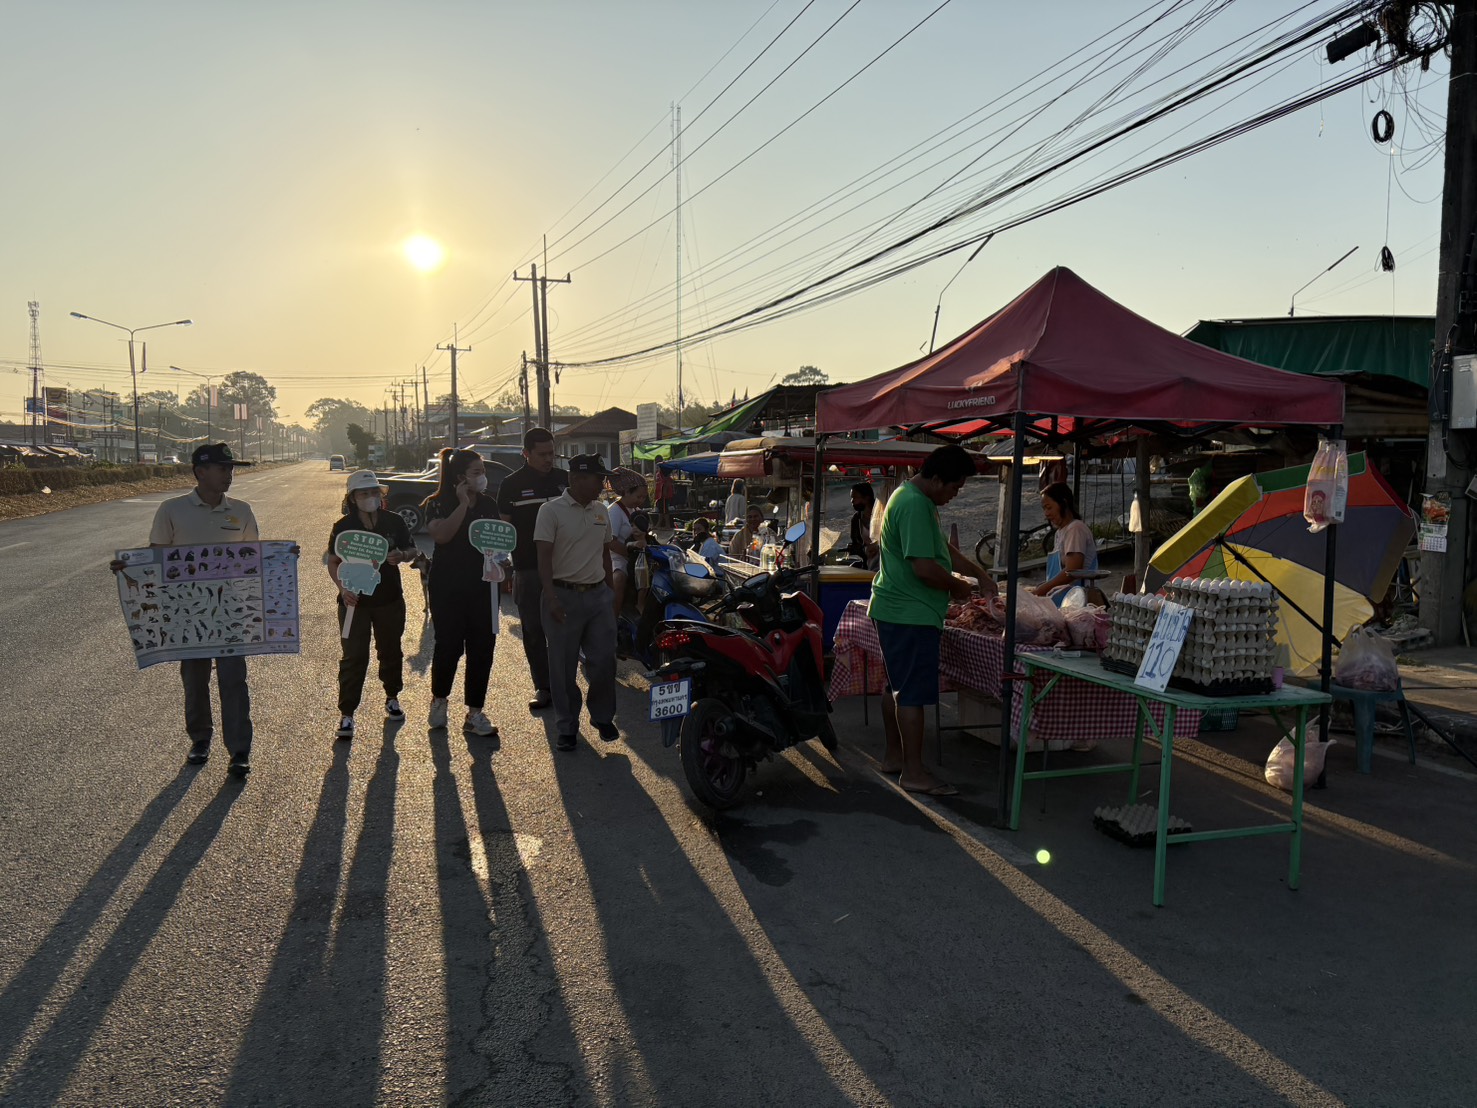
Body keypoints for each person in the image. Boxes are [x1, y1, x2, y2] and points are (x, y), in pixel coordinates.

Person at [125, 443, 260, 777]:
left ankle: (239, 751)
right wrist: (129, 566)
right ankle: (200, 739)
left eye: (231, 468)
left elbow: (253, 559)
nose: (229, 474)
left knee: (234, 680)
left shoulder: (241, 511)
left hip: (230, 610)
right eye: (222, 468)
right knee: (195, 680)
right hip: (188, 611)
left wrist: (281, 558)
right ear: (200, 472)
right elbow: (157, 556)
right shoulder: (172, 510)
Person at [868, 445, 993, 796]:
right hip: (909, 613)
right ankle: (913, 772)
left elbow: (941, 549)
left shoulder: (916, 499)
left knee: (895, 687)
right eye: (954, 487)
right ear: (937, 479)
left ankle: (895, 757)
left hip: (897, 610)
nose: (955, 495)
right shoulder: (912, 504)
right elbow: (923, 568)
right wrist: (958, 587)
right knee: (911, 695)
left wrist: (978, 574)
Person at [536, 453, 620, 752]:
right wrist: (551, 597)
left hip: (598, 596)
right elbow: (543, 557)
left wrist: (610, 593)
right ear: (576, 478)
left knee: (604, 661)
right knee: (562, 666)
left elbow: (605, 553)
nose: (602, 484)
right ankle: (567, 726)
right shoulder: (550, 511)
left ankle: (602, 717)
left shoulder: (601, 510)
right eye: (598, 479)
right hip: (563, 596)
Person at [327, 469, 415, 741]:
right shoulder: (343, 527)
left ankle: (392, 697)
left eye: (374, 492)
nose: (370, 497)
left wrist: (402, 555)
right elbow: (333, 561)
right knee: (353, 657)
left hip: (389, 599)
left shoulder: (394, 521)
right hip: (354, 603)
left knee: (390, 650)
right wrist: (343, 589)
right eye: (364, 493)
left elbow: (412, 550)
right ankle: (347, 713)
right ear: (352, 498)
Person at [421, 448, 500, 738]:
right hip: (448, 586)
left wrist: (501, 560)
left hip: (483, 586)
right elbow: (442, 535)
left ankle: (475, 712)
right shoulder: (437, 503)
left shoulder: (489, 504)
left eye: (483, 472)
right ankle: (439, 700)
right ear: (460, 477)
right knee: (449, 646)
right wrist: (463, 504)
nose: (482, 477)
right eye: (476, 472)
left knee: (482, 648)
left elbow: (498, 539)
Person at [497, 427, 568, 711]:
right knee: (534, 630)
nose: (548, 459)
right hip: (528, 569)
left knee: (564, 630)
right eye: (542, 454)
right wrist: (501, 564)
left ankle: (564, 685)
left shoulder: (565, 480)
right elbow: (503, 529)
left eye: (552, 453)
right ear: (526, 453)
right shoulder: (511, 484)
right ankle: (543, 686)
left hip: (565, 569)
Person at [1031, 482, 1099, 602]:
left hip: (1078, 600)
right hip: (1063, 599)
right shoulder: (1060, 532)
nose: (1046, 514)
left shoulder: (1075, 529)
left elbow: (1072, 570)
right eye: (1044, 509)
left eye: (1049, 507)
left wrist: (1042, 590)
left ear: (1064, 503)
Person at [605, 467, 649, 619]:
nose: (641, 500)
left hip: (636, 556)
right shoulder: (614, 511)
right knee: (619, 578)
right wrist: (630, 554)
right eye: (638, 496)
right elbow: (610, 542)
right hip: (617, 557)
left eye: (643, 497)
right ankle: (613, 619)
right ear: (626, 492)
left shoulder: (636, 510)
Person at [844, 482, 879, 568]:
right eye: (851, 498)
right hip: (868, 562)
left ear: (867, 498)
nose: (852, 501)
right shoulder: (856, 519)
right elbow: (856, 543)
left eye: (855, 497)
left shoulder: (881, 515)